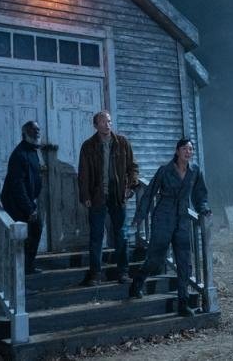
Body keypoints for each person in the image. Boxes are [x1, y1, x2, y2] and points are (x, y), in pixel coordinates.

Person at [129, 138, 210, 317]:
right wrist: (140, 216)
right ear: (177, 151)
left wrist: (203, 209)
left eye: (191, 149)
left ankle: (183, 303)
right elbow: (149, 193)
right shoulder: (164, 170)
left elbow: (200, 194)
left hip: (182, 219)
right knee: (155, 258)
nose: (188, 152)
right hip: (163, 216)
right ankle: (138, 281)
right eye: (185, 149)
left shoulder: (195, 171)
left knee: (184, 261)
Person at [78, 110, 139, 286]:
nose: (107, 125)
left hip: (117, 195)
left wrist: (131, 185)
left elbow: (133, 167)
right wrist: (85, 195)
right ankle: (95, 274)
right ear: (95, 125)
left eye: (109, 121)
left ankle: (123, 272)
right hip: (97, 196)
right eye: (103, 122)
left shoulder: (122, 143)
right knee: (96, 235)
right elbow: (83, 174)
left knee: (121, 235)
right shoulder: (88, 146)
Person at [0, 121, 44, 274]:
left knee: (35, 230)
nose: (37, 132)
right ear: (25, 133)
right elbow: (17, 185)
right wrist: (29, 208)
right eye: (33, 130)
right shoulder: (19, 154)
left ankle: (28, 267)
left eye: (38, 129)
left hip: (28, 201)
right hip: (16, 203)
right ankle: (20, 270)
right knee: (25, 235)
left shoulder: (32, 151)